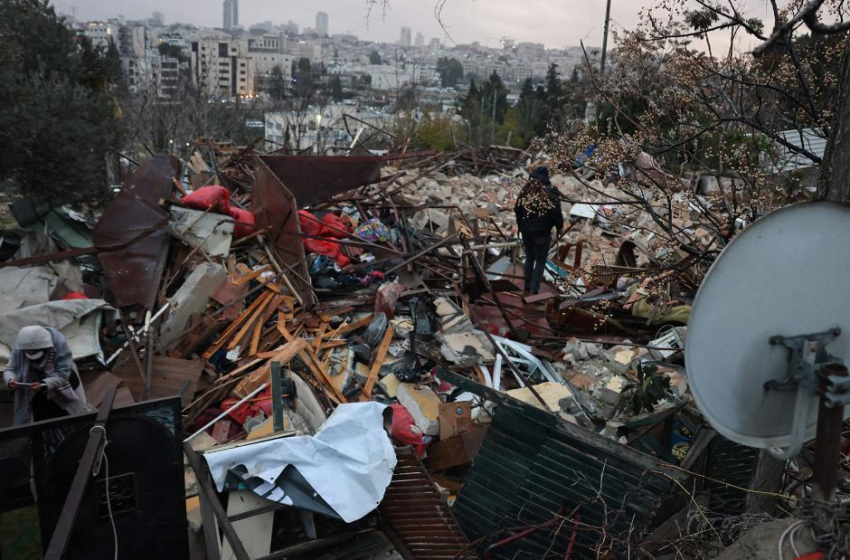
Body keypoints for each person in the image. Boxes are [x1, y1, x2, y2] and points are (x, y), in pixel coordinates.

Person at [3, 326, 88, 425]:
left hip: (62, 386)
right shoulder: (19, 349)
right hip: (34, 387)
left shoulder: (59, 346)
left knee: (65, 421)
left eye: (34, 351)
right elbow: (10, 368)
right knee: (40, 419)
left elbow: (62, 374)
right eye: (27, 351)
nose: (30, 354)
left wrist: (43, 385)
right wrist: (10, 380)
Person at [515, 167, 565, 295]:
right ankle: (534, 291)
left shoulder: (526, 190)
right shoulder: (551, 191)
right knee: (540, 261)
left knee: (529, 258)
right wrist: (559, 227)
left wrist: (520, 226)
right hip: (542, 232)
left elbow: (517, 208)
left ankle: (526, 288)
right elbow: (556, 212)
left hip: (526, 230)